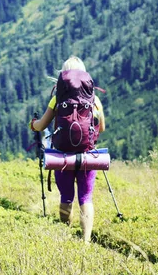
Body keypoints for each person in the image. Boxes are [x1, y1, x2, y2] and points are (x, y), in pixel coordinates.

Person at [30, 56, 105, 243]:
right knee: (86, 198)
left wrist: (33, 125)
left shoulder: (57, 99)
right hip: (87, 155)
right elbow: (101, 127)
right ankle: (86, 241)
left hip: (62, 156)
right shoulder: (94, 100)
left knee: (66, 195)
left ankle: (66, 234)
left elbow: (41, 125)